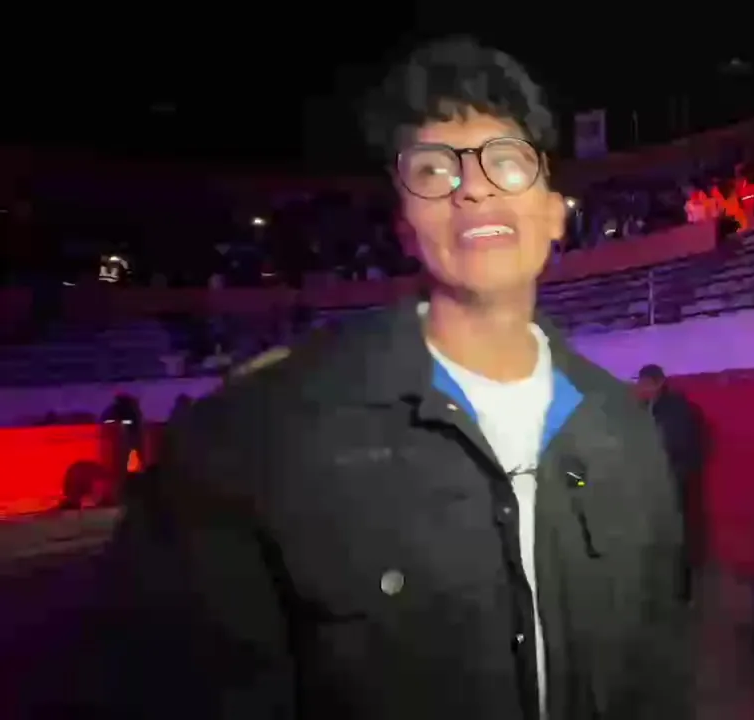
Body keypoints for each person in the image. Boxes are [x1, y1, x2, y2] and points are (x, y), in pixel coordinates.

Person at [104, 37, 690, 720]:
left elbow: (656, 672)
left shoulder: (626, 432)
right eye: (435, 169)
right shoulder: (254, 441)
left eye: (506, 160)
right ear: (405, 228)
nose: (474, 187)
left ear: (556, 212)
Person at [635, 364, 707, 602]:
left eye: (644, 384)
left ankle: (681, 592)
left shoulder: (676, 410)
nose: (640, 389)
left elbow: (682, 446)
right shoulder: (645, 409)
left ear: (657, 383)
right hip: (653, 484)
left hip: (673, 482)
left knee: (675, 538)